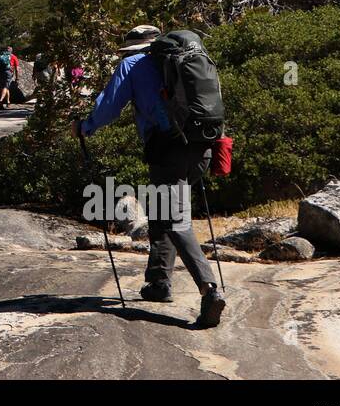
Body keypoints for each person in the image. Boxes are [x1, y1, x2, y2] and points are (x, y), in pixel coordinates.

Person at [71, 24, 225, 329]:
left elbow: (109, 109)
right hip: (203, 145)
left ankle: (210, 290)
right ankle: (158, 282)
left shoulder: (132, 64)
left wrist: (84, 127)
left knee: (175, 219)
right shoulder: (188, 57)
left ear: (132, 48)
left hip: (167, 149)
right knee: (163, 210)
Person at [0, 45, 20, 110]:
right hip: (8, 73)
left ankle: (8, 102)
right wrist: (17, 78)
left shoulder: (1, 56)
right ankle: (0, 101)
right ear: (11, 51)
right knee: (5, 87)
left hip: (1, 72)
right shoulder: (14, 57)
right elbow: (17, 69)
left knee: (5, 87)